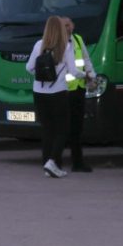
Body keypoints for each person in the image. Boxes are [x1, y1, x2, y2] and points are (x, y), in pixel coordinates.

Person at [26, 16, 86, 178]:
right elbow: (74, 71)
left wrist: (42, 74)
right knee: (62, 129)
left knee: (47, 130)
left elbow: (29, 68)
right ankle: (52, 161)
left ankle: (48, 164)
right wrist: (85, 75)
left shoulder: (38, 45)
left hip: (39, 93)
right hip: (58, 93)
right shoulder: (66, 47)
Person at [62, 17, 96, 172]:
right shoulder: (58, 41)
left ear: (73, 26)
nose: (67, 27)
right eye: (64, 25)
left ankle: (77, 162)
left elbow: (86, 60)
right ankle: (56, 160)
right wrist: (87, 76)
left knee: (77, 127)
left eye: (69, 24)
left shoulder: (77, 39)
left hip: (78, 89)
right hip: (64, 91)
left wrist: (92, 76)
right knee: (65, 128)